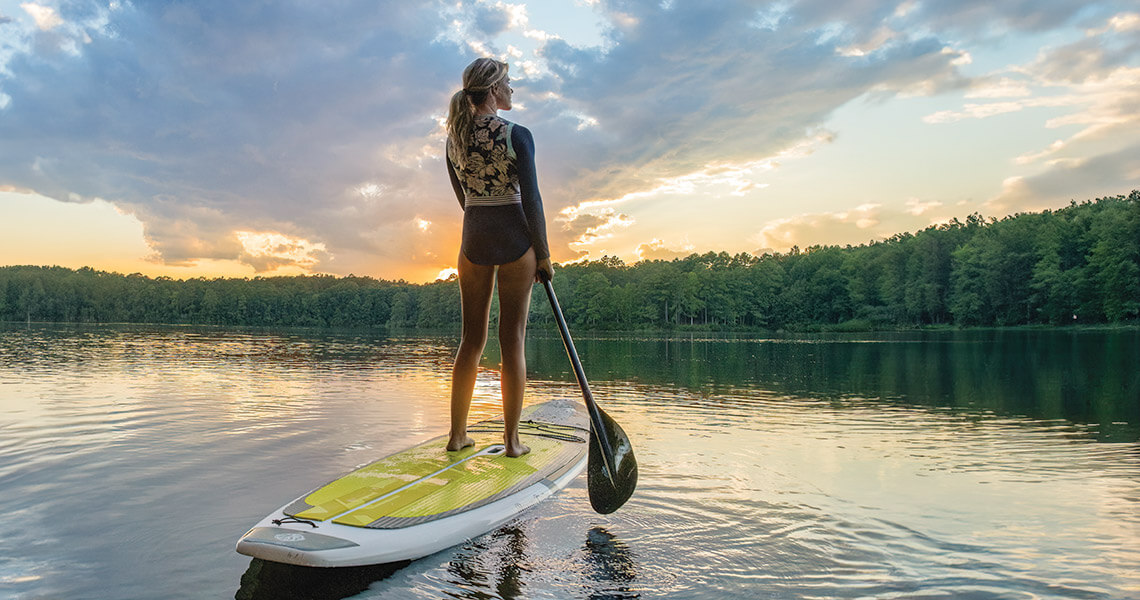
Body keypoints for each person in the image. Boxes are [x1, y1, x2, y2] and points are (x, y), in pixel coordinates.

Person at [444, 57, 553, 457]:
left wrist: (480, 225)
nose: (512, 89)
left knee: (470, 340)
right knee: (513, 341)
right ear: (493, 91)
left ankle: (457, 436)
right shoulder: (517, 134)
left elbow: (464, 199)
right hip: (515, 241)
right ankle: (511, 442)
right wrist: (542, 255)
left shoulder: (454, 137)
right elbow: (533, 198)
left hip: (473, 240)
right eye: (508, 83)